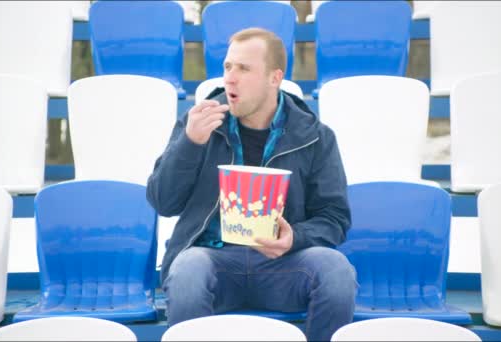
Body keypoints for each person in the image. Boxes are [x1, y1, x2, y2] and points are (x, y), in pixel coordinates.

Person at [147, 27, 357, 341]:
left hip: (284, 264)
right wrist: (190, 144)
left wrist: (294, 238)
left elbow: (335, 218)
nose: (230, 78)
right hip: (213, 259)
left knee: (337, 270)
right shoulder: (198, 123)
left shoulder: (316, 136)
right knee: (187, 269)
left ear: (275, 78)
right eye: (228, 67)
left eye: (244, 69)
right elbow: (163, 202)